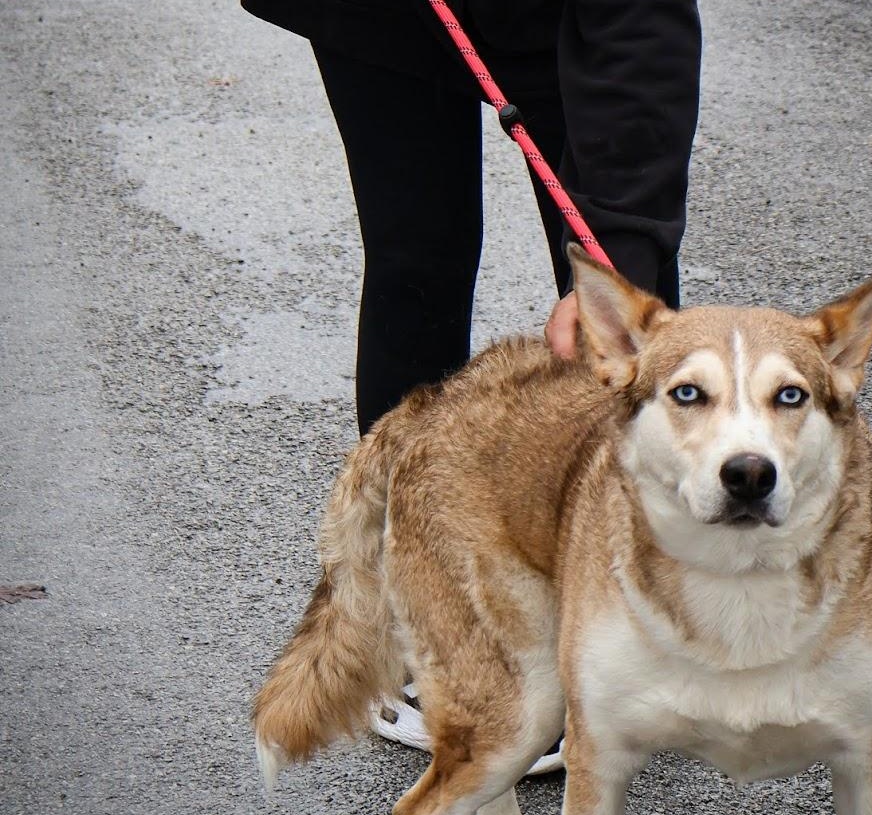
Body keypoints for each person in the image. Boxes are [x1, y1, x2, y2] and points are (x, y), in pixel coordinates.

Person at [242, 0, 702, 769]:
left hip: (561, 20)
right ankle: (439, 633)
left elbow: (640, 36)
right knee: (418, 258)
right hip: (387, 17)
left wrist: (619, 255)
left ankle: (640, 603)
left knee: (622, 301)